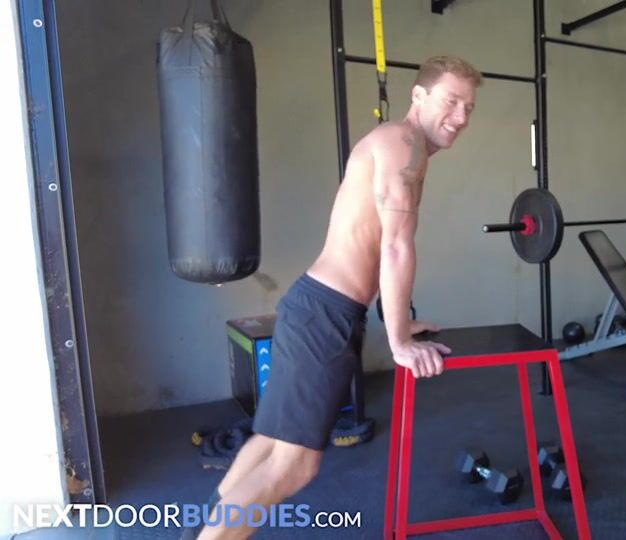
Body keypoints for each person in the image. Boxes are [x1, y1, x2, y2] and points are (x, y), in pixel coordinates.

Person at [186, 55, 483, 540]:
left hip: (317, 308)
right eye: (452, 101)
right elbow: (395, 246)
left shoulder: (401, 147)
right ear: (419, 96)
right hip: (325, 315)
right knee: (293, 466)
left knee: (269, 445)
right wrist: (399, 343)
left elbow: (378, 244)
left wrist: (399, 322)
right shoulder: (401, 143)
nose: (461, 116)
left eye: (469, 107)